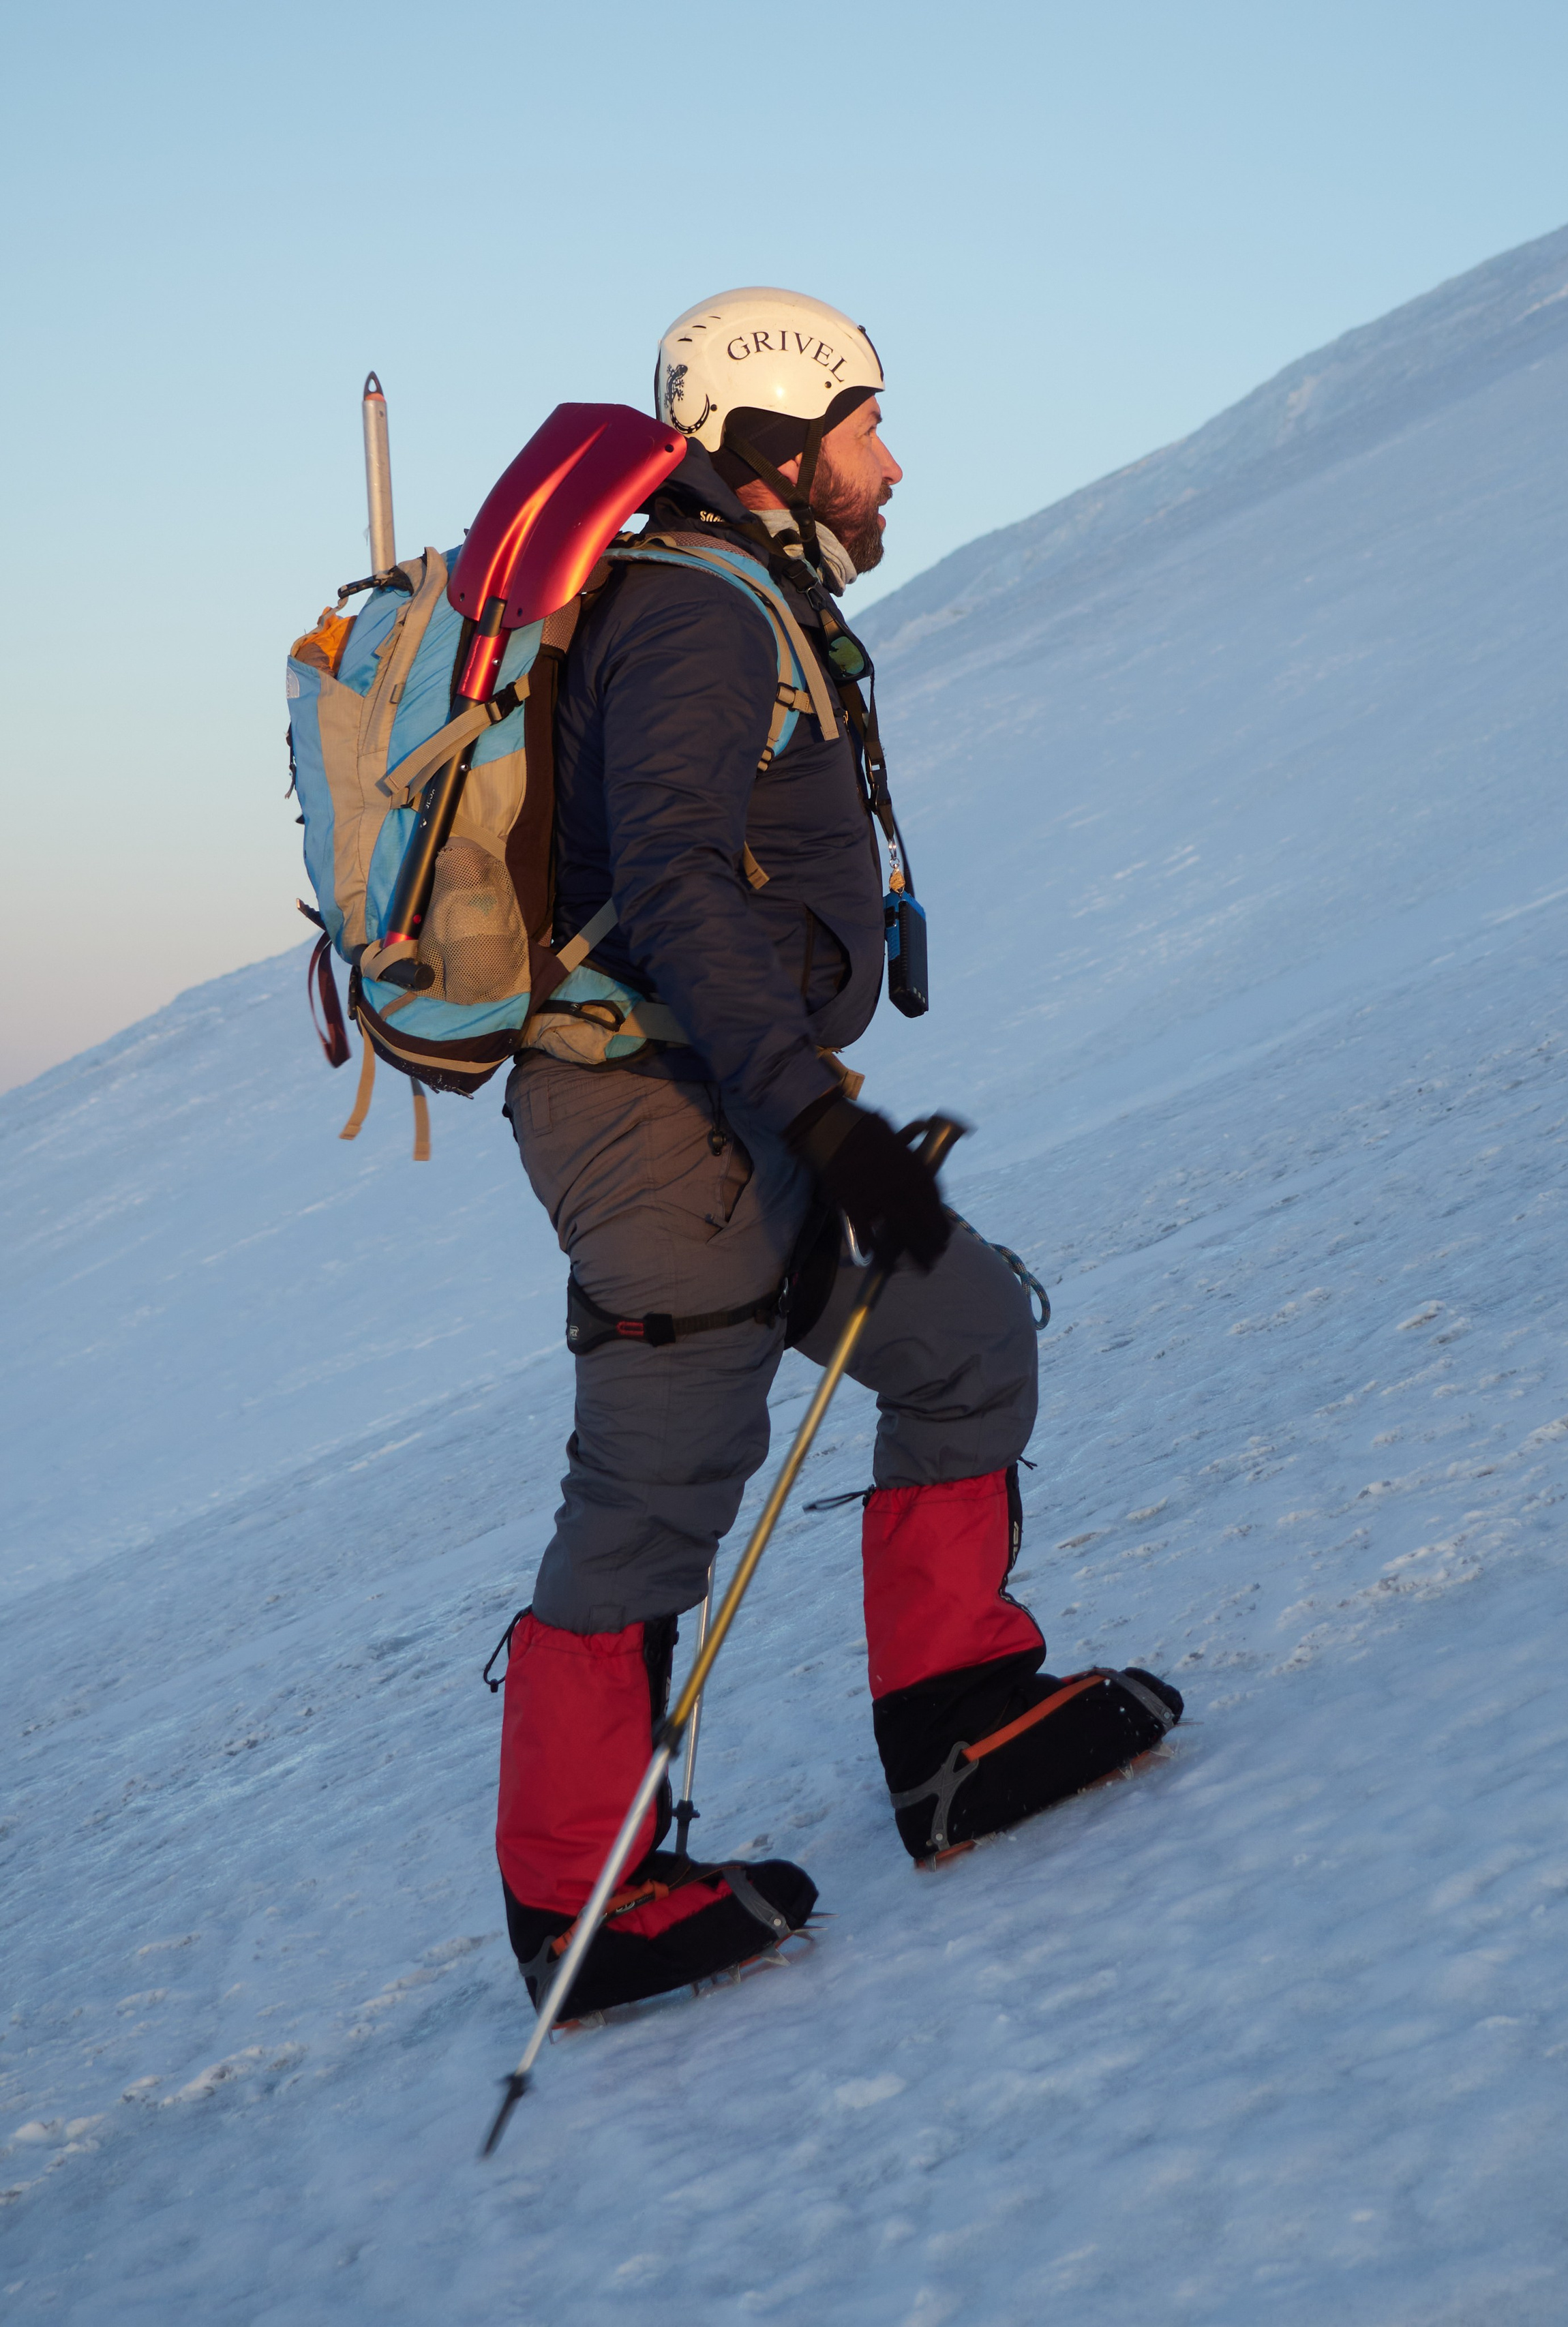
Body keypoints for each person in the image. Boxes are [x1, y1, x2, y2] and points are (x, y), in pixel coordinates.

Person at [492, 286, 1183, 2015]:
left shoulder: (740, 594)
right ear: (774, 441)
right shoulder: (692, 613)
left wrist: (811, 1108)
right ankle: (581, 1911)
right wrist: (822, 1118)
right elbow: (670, 884)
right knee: (656, 1491)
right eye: (865, 426)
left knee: (960, 1337)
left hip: (740, 1094)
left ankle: (957, 1731)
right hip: (657, 1118)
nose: (892, 463)